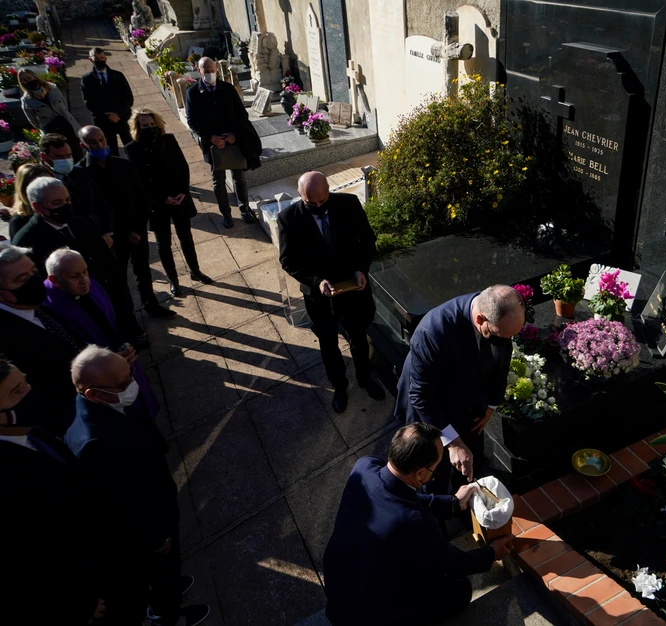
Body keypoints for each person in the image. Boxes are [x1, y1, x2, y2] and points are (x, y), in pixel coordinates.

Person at [65, 346, 210, 626]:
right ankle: (167, 616)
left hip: (156, 507)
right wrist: (155, 538)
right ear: (92, 393)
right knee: (159, 574)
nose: (131, 384)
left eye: (130, 374)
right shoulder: (95, 445)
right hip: (150, 531)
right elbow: (122, 505)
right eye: (123, 382)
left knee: (167, 570)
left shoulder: (101, 406)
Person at [323, 422, 513, 626]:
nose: (437, 471)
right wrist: (491, 553)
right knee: (460, 591)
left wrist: (453, 502)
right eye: (436, 466)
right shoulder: (415, 521)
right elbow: (454, 563)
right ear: (420, 473)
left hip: (338, 582)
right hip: (372, 613)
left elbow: (400, 494)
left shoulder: (365, 466)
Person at [0, 358, 107, 626]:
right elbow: (24, 561)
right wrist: (77, 605)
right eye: (16, 392)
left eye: (23, 380)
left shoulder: (27, 430)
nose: (29, 391)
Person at [394, 286, 525, 495]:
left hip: (467, 401)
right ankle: (438, 508)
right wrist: (453, 443)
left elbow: (502, 365)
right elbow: (422, 395)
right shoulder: (434, 332)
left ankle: (463, 499)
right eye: (500, 337)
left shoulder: (500, 324)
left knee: (470, 459)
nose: (506, 343)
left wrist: (491, 405)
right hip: (431, 406)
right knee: (433, 470)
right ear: (481, 319)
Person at [277, 171, 385, 413]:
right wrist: (317, 281)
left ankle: (365, 379)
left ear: (329, 190)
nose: (317, 207)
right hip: (319, 296)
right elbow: (288, 260)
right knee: (328, 344)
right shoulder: (288, 218)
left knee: (358, 337)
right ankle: (339, 386)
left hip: (352, 288)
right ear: (299, 194)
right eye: (310, 203)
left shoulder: (348, 204)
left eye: (322, 201)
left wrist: (361, 269)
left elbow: (367, 240)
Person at [45, 248, 160, 420]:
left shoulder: (94, 285)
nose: (85, 281)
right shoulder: (51, 309)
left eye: (85, 272)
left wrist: (127, 343)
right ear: (55, 280)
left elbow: (118, 314)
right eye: (75, 276)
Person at [77, 125, 175, 320]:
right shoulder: (81, 174)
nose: (100, 144)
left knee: (143, 272)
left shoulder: (123, 165)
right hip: (111, 238)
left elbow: (142, 198)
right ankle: (126, 316)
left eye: (102, 139)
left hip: (136, 231)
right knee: (117, 278)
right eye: (93, 142)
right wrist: (119, 234)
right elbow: (91, 212)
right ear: (83, 145)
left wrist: (138, 229)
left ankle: (152, 305)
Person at [126, 107, 210, 296]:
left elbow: (183, 166)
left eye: (151, 124)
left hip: (178, 198)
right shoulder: (133, 149)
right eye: (144, 125)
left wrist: (183, 192)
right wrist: (161, 198)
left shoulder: (169, 140)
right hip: (157, 203)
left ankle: (195, 271)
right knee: (163, 243)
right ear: (138, 128)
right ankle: (173, 279)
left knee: (186, 237)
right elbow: (140, 180)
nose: (149, 127)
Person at [0, 243, 82, 435]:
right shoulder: (4, 339)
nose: (33, 280)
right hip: (70, 425)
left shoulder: (32, 304)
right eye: (21, 280)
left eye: (33, 271)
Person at [185, 56, 260, 229]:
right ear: (199, 71)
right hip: (211, 143)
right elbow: (192, 121)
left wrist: (234, 134)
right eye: (206, 71)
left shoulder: (227, 89)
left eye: (213, 71)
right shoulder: (193, 93)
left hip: (233, 140)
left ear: (216, 70)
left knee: (239, 177)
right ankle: (226, 214)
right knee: (218, 181)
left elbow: (241, 114)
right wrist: (211, 137)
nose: (210, 74)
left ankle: (244, 208)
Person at [39, 133, 114, 240]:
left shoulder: (80, 172)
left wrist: (107, 232)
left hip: (98, 235)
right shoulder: (40, 182)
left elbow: (101, 203)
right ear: (44, 157)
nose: (65, 160)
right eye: (59, 157)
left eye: (69, 155)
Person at [18, 68, 83, 158]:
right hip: (50, 128)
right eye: (24, 80)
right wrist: (43, 125)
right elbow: (32, 120)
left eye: (29, 78)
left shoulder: (52, 88)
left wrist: (64, 115)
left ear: (35, 77)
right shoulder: (26, 100)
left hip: (66, 123)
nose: (27, 81)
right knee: (58, 154)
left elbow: (64, 104)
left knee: (75, 150)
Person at [80, 48, 134, 155]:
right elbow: (89, 103)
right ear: (91, 59)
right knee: (111, 150)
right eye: (97, 59)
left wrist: (118, 114)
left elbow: (128, 98)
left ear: (105, 58)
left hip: (122, 118)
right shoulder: (87, 79)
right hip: (103, 121)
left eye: (102, 58)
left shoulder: (118, 75)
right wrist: (107, 115)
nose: (100, 61)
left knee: (132, 147)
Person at [5, 163, 52, 239]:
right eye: (39, 186)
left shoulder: (61, 207)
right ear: (24, 189)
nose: (48, 189)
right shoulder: (19, 221)